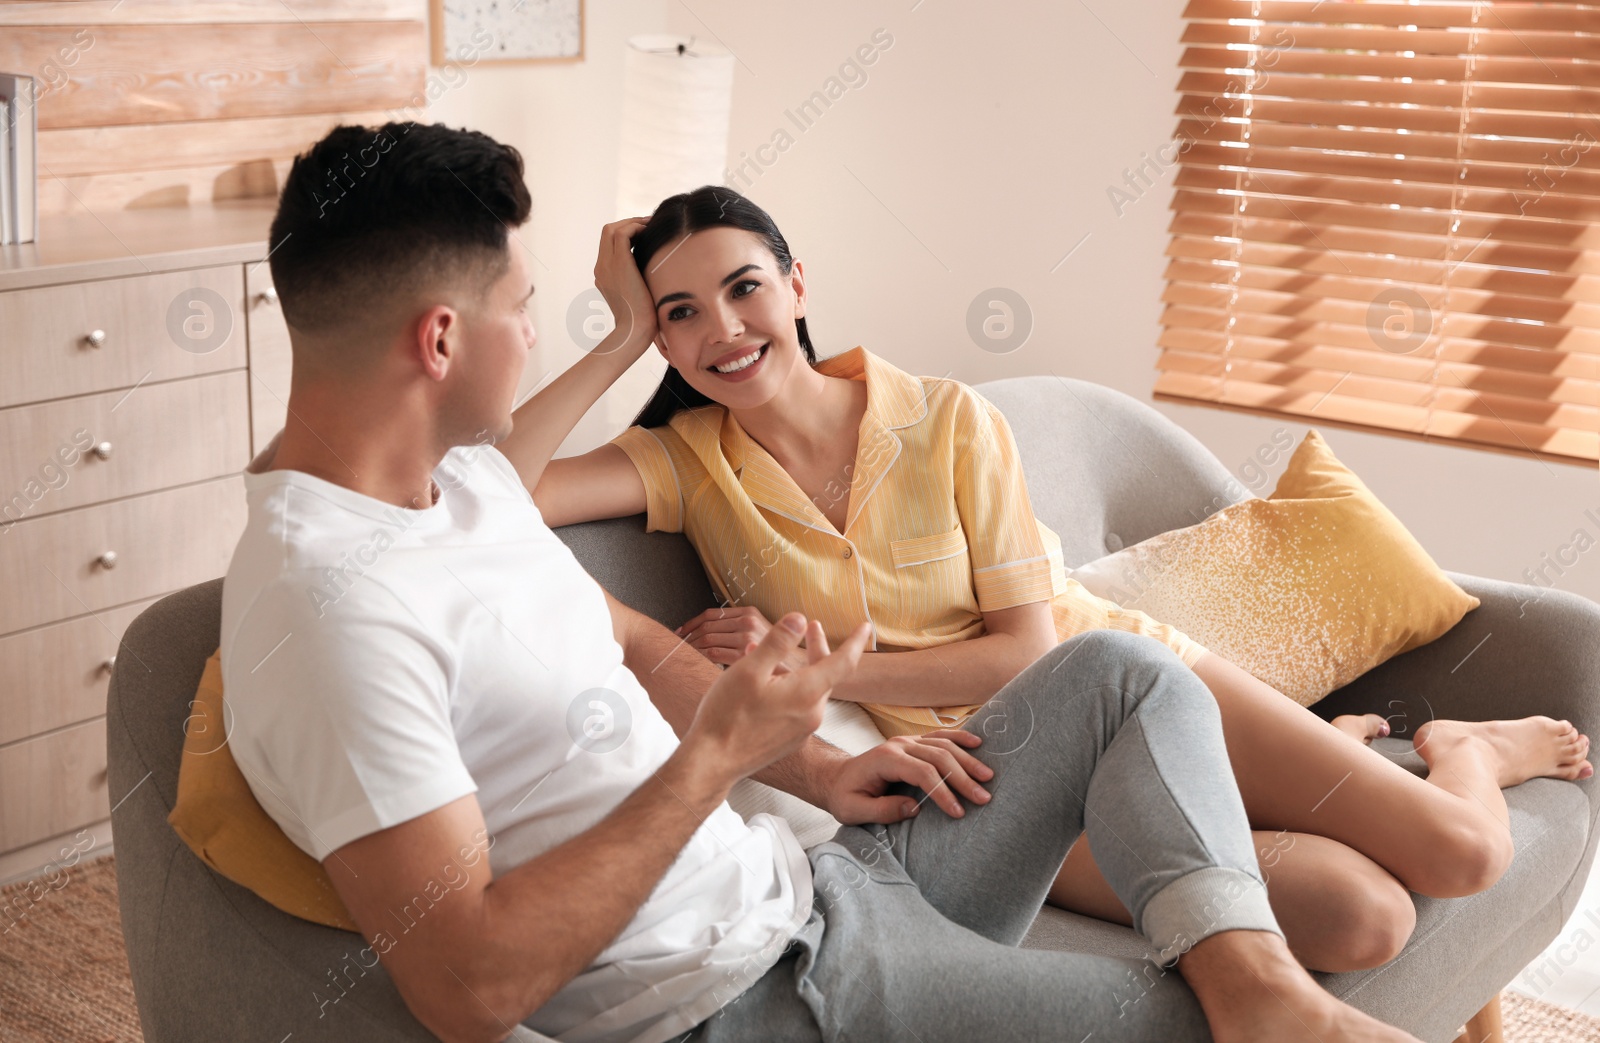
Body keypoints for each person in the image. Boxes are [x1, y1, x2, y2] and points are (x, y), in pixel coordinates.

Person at [221, 120, 1424, 1043]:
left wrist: (815, 764)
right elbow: (467, 984)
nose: (538, 335)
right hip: (760, 995)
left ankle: (1263, 986)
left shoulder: (460, 491)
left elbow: (635, 637)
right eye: (524, 313)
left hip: (822, 879)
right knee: (1184, 1022)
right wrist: (715, 757)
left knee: (1120, 668)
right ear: (440, 341)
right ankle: (1254, 998)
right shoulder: (333, 616)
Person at [513, 184, 1595, 975]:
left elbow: (1029, 648)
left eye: (743, 288)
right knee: (1364, 919)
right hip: (992, 789)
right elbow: (489, 488)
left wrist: (830, 674)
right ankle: (1340, 764)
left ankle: (1464, 749)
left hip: (1137, 687)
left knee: (1454, 850)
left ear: (796, 285)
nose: (723, 330)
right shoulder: (687, 460)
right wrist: (614, 339)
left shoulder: (945, 419)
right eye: (680, 313)